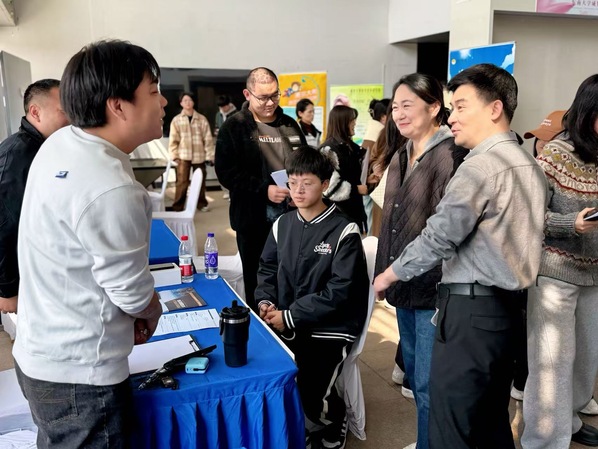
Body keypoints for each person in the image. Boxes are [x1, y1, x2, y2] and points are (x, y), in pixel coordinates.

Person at [373, 63, 548, 449]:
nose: (453, 117)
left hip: (471, 312)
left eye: (462, 106)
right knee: (490, 422)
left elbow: (439, 235)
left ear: (495, 108)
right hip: (509, 311)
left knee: (450, 424)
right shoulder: (529, 165)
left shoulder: (479, 166)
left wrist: (388, 274)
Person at [13, 40, 164, 449]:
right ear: (118, 106)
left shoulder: (61, 143)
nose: (163, 101)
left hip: (39, 352)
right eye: (153, 91)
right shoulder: (111, 186)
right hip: (81, 379)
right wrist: (152, 309)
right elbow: (130, 292)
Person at [375, 73, 468, 449]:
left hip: (434, 287)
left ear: (433, 108)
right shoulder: (402, 153)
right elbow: (390, 219)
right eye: (395, 106)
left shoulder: (451, 155)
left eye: (407, 105)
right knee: (415, 375)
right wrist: (384, 273)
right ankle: (427, 440)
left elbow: (450, 228)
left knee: (430, 382)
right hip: (403, 281)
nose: (398, 113)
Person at [255, 145, 369, 449]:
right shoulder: (282, 224)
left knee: (309, 388)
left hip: (331, 327)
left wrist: (290, 316)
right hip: (287, 321)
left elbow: (341, 291)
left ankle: (332, 421)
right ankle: (298, 425)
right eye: (293, 183)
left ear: (325, 184)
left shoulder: (344, 230)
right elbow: (267, 268)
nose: (298, 190)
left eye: (307, 183)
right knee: (266, 375)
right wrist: (266, 302)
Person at [522, 74, 598, 449]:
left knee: (585, 361)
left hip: (593, 275)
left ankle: (569, 420)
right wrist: (572, 223)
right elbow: (526, 214)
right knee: (551, 364)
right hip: (555, 275)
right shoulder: (554, 155)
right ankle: (543, 440)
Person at [215, 67, 306, 310]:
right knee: (258, 282)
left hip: (291, 219)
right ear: (247, 94)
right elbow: (226, 172)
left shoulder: (289, 125)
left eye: (275, 96)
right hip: (252, 221)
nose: (270, 103)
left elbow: (304, 164)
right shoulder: (235, 127)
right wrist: (263, 190)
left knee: (291, 279)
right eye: (263, 97)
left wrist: (301, 190)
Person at [0, 79, 68, 315]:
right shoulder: (17, 156)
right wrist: (7, 290)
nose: (71, 118)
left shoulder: (45, 147)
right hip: (21, 279)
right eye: (64, 111)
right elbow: (4, 227)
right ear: (36, 112)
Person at [320, 105, 368, 233]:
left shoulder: (352, 148)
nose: (355, 123)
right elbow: (329, 188)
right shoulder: (328, 150)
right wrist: (357, 189)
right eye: (351, 120)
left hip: (354, 213)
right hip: (337, 216)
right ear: (342, 123)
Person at [169, 91, 214, 212]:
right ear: (181, 103)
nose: (188, 103)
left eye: (190, 100)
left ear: (193, 102)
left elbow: (208, 139)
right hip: (183, 156)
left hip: (199, 156)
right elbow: (173, 140)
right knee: (182, 182)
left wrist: (210, 155)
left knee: (200, 182)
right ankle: (178, 206)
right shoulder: (176, 120)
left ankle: (201, 204)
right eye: (185, 101)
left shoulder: (202, 119)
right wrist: (174, 156)